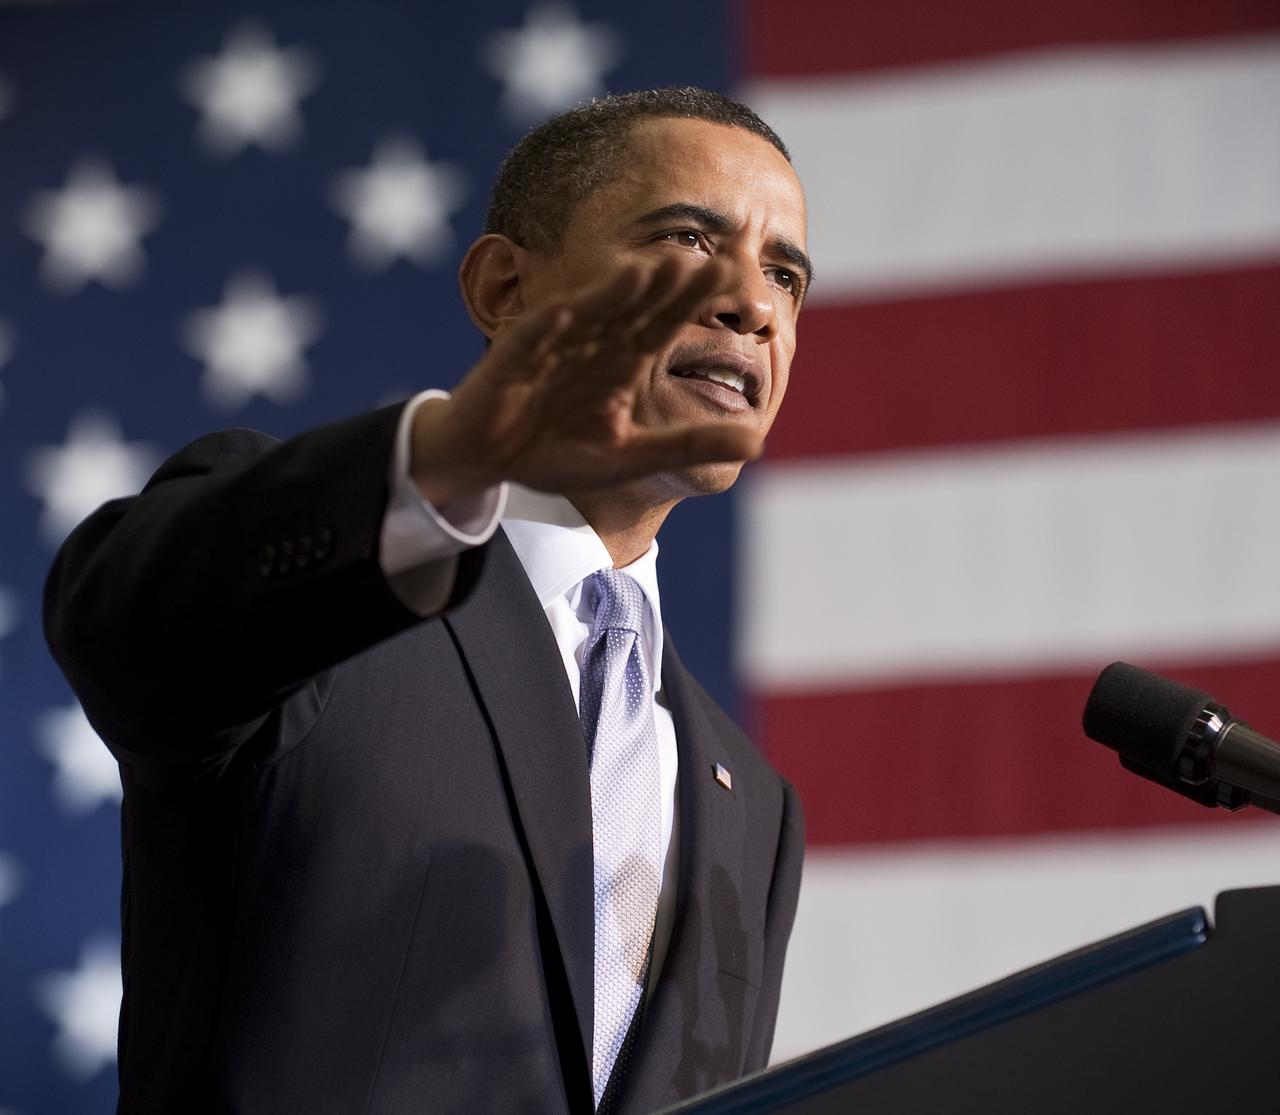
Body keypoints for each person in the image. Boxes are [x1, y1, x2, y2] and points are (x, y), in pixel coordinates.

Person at [44, 87, 808, 1115]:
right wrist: (453, 460)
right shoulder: (330, 590)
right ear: (505, 288)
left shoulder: (750, 803)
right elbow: (123, 624)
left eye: (784, 274)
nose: (750, 303)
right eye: (685, 238)